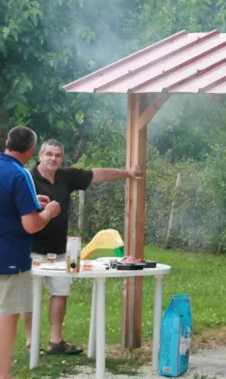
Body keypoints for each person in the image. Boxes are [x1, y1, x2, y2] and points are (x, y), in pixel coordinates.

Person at [22, 139, 142, 355]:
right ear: (39, 154)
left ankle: (55, 342)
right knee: (30, 296)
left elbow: (97, 174)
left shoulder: (67, 176)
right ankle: (31, 342)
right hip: (30, 248)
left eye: (57, 155)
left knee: (61, 292)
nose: (53, 159)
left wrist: (127, 173)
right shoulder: (27, 178)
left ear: (62, 157)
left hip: (60, 250)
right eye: (49, 154)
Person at [0, 127, 61, 379]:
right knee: (8, 316)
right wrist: (48, 213)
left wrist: (34, 201)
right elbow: (31, 225)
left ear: (6, 142)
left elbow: (2, 204)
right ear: (31, 151)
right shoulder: (20, 174)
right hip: (10, 255)